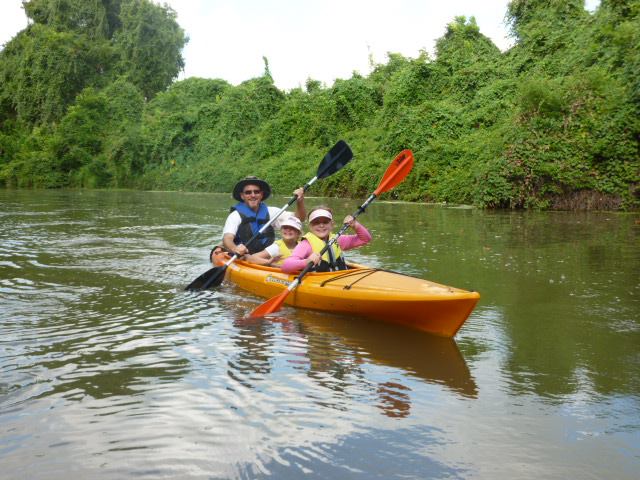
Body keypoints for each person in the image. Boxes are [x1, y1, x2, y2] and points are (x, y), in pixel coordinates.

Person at [222, 176, 306, 256]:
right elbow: (227, 238)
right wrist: (235, 249)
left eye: (256, 192)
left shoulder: (272, 212)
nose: (253, 195)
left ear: (261, 194)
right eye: (248, 192)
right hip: (244, 256)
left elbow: (299, 219)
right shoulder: (235, 215)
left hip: (267, 254)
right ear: (242, 196)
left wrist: (300, 202)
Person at [281, 206, 372, 273]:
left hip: (339, 279)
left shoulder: (338, 239)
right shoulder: (306, 244)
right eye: (316, 223)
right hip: (317, 283)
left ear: (332, 224)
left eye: (325, 222)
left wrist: (356, 225)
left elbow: (365, 239)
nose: (321, 225)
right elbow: (286, 266)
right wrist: (307, 261)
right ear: (310, 226)